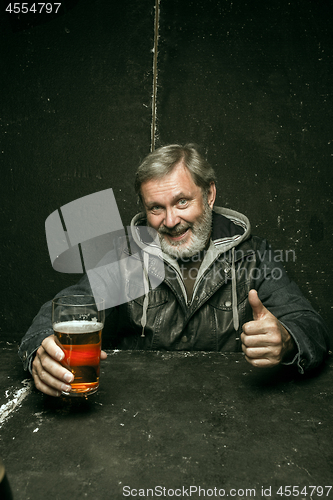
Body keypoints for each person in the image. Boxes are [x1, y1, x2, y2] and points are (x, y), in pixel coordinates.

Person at [19, 144, 330, 397]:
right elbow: (67, 307)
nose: (169, 221)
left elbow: (309, 324)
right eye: (156, 207)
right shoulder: (125, 256)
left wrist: (287, 339)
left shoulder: (254, 255)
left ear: (209, 194)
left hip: (233, 413)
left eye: (182, 202)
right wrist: (42, 351)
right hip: (138, 413)